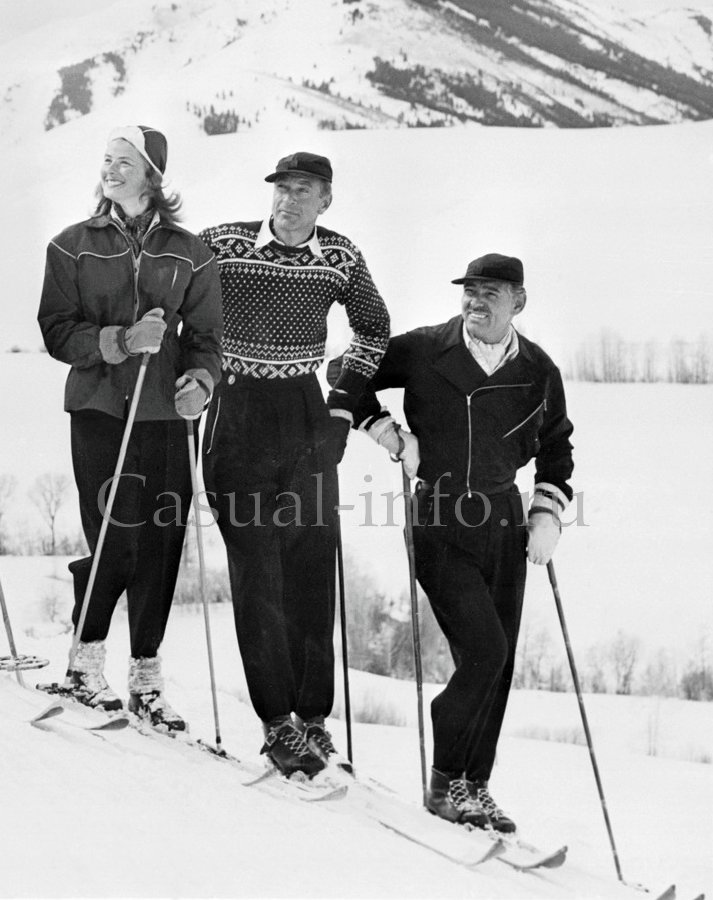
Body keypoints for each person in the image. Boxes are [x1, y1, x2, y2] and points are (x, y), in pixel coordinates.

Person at [339, 253, 574, 830]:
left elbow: (557, 446)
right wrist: (388, 434)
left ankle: (475, 785)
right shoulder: (425, 348)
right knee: (485, 652)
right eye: (470, 290)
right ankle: (445, 782)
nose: (476, 301)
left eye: (491, 292)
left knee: (499, 663)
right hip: (439, 518)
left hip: (504, 520)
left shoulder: (538, 369)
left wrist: (547, 512)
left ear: (518, 301)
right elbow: (346, 370)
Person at [199, 151, 390, 776]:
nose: (288, 199)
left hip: (305, 410)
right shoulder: (222, 244)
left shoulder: (340, 255)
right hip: (236, 410)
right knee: (257, 570)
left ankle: (313, 718)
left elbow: (374, 330)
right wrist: (193, 372)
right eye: (282, 187)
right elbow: (175, 295)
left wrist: (342, 408)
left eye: (303, 190)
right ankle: (277, 721)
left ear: (325, 200)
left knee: (311, 567)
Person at [37, 125, 223, 731]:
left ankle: (146, 678)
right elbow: (57, 330)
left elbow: (207, 339)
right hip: (98, 407)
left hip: (165, 413)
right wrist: (120, 340)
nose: (111, 170)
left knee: (162, 545)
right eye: (107, 160)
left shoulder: (191, 253)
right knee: (115, 539)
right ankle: (84, 663)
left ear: (152, 175)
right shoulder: (72, 246)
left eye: (125, 161)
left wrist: (201, 383)